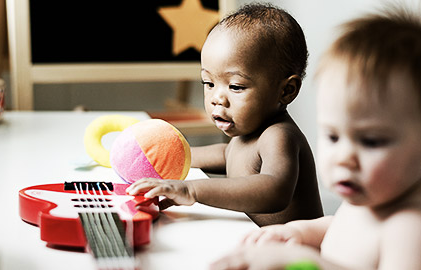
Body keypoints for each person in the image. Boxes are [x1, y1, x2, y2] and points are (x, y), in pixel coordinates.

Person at [209, 7, 421, 270]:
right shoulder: (373, 197)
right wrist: (300, 233)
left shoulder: (415, 231)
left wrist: (308, 262)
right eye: (333, 136)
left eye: (370, 141)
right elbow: (344, 229)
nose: (343, 157)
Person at [127, 3, 323, 227]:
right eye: (209, 83)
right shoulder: (245, 135)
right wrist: (160, 156)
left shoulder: (279, 136)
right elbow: (226, 155)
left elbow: (274, 190)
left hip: (295, 255)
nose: (217, 98)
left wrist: (190, 189)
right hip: (257, 242)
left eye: (236, 87)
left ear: (286, 91)